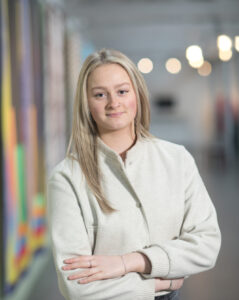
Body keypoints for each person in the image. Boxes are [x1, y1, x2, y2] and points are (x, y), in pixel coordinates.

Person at [47, 48, 221, 300]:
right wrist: (158, 285)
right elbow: (76, 285)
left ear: (137, 95)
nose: (113, 103)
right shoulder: (67, 178)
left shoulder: (177, 159)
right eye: (99, 94)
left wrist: (130, 262)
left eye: (122, 91)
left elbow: (206, 245)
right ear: (86, 103)